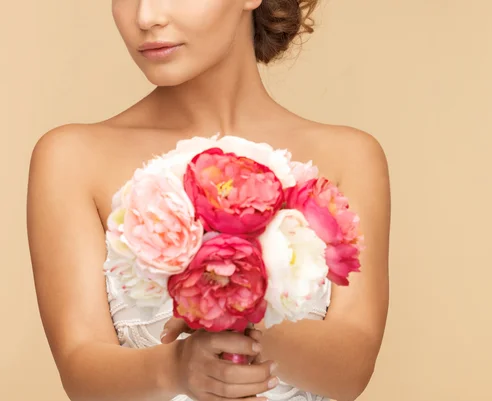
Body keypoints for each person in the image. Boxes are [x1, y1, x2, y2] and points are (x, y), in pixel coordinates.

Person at [26, 1, 391, 400]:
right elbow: (80, 371)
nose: (146, 17)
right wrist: (177, 369)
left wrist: (251, 328)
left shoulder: (349, 157)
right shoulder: (72, 157)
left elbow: (353, 370)